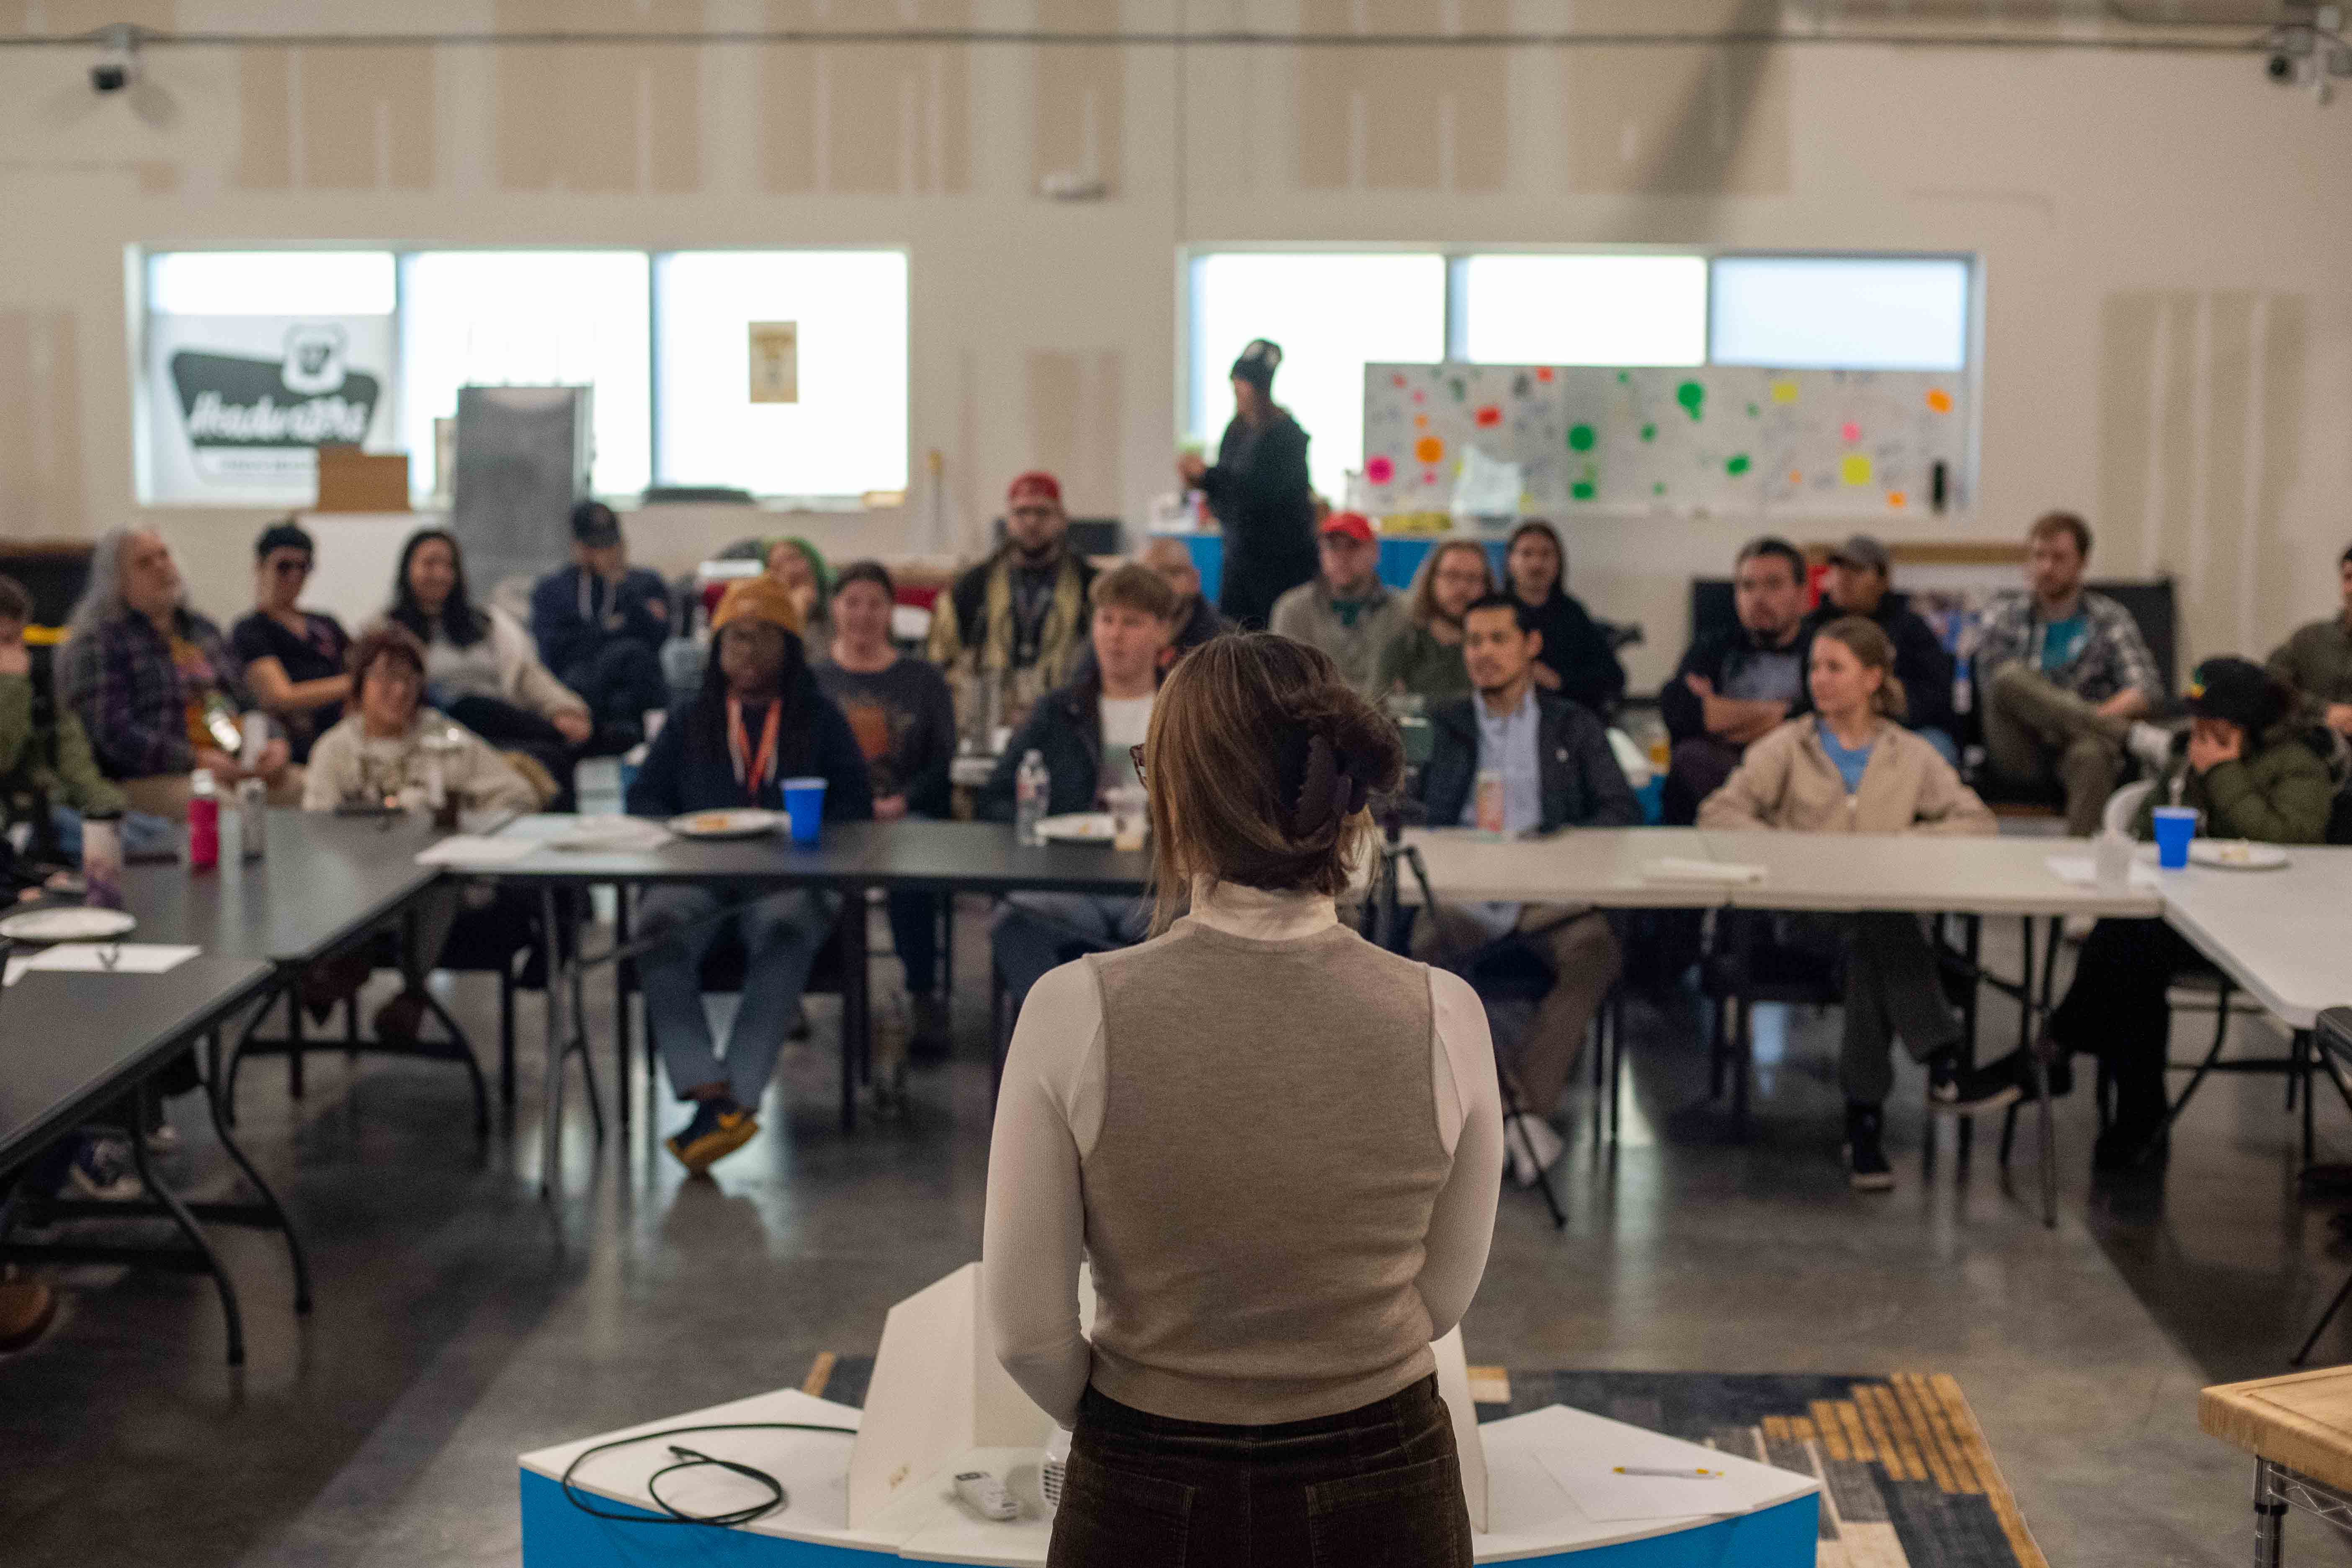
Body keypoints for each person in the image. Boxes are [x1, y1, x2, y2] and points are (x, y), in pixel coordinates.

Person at [983, 633, 1500, 1566]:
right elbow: (1438, 1299)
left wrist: (1142, 1427)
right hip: (1385, 1469)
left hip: (1145, 1470)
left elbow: (1026, 1336)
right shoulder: (1446, 1014)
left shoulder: (1072, 1009)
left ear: (1179, 799)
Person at [1945, 657, 2336, 1170]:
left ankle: (2059, 1055)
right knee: (2127, 945)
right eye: (2195, 720)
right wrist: (2187, 783)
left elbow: (2293, 842)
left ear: (2245, 723)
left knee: (2127, 951)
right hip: (2191, 916)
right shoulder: (2187, 754)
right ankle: (2123, 1106)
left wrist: (2222, 774)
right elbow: (2146, 831)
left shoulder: (2297, 764)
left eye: (2212, 722)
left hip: (2265, 932)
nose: (2199, 732)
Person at [1698, 616, 1996, 1190]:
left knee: (1870, 942)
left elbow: (1975, 821)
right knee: (1883, 928)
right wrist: (1790, 851)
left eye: (1834, 668)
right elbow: (1719, 812)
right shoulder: (1788, 746)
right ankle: (1943, 1058)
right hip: (1803, 920)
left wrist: (1903, 845)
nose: (1819, 679)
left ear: (1872, 678)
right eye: (1814, 667)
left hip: (1874, 920)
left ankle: (1864, 1123)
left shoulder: (1910, 754)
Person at [626, 577, 873, 1175]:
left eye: (764, 637)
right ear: (716, 648)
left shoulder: (820, 718)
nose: (748, 650)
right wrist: (680, 831)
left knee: (786, 925)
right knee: (655, 923)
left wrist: (809, 829)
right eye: (736, 637)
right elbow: (644, 801)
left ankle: (736, 1097)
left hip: (790, 879)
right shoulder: (690, 718)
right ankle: (705, 1084)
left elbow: (856, 809)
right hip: (699, 876)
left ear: (790, 648)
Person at [1414, 593, 1638, 1190]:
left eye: (1498, 639)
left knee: (1595, 950)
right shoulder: (1443, 722)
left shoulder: (1573, 724)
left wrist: (1559, 841)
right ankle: (1517, 1119)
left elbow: (1620, 808)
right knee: (1423, 955)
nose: (1483, 653)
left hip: (1548, 896)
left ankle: (1519, 1111)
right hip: (1464, 892)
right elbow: (1406, 806)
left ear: (1531, 646)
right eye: (1473, 641)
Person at [302, 623, 538, 1045]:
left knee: (435, 880)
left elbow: (517, 794)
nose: (399, 691)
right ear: (359, 685)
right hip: (360, 883)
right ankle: (344, 962)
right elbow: (316, 827)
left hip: (437, 885)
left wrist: (468, 823)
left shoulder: (443, 738)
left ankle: (412, 992)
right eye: (385, 679)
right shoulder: (335, 749)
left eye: (409, 680)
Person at [982, 565, 1177, 1020]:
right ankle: (1062, 1035)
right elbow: (995, 797)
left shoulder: (1183, 710)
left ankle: (1149, 1042)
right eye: (1106, 620)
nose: (1116, 636)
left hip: (1156, 886)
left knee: (1197, 924)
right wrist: (1042, 821)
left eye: (1132, 622)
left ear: (1162, 632)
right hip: (1070, 881)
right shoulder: (1059, 711)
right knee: (1013, 922)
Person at [814, 561, 959, 1059]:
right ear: (834, 608)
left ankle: (922, 991)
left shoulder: (923, 679)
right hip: (836, 816)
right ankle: (800, 985)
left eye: (874, 603)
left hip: (907, 813)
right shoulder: (813, 679)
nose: (862, 614)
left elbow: (943, 761)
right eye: (852, 602)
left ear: (891, 611)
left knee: (910, 868)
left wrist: (903, 801)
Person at [60, 526, 292, 818]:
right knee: (218, 809)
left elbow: (248, 702)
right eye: (145, 563)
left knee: (305, 789)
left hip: (231, 761)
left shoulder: (203, 630)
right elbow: (112, 735)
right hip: (153, 777)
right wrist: (194, 760)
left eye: (164, 555)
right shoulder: (99, 642)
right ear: (118, 583)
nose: (161, 566)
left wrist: (274, 740)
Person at [1974, 512, 2169, 836]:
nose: (2046, 567)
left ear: (2082, 562)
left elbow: (2145, 689)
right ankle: (2128, 735)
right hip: (2020, 744)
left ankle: (2078, 857)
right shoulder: (2003, 616)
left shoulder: (2108, 618)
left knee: (2093, 755)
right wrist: (2100, 724)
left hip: (2079, 746)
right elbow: (1994, 690)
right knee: (2008, 677)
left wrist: (2083, 721)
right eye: (2039, 556)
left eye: (2058, 557)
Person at [387, 528, 591, 799]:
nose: (440, 574)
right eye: (430, 563)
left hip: (502, 721)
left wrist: (563, 708)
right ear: (408, 569)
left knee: (556, 754)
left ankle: (569, 738)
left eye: (448, 566)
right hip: (444, 729)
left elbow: (525, 672)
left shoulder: (484, 623)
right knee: (470, 706)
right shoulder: (388, 631)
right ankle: (577, 737)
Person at [1658, 536, 1816, 825]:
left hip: (1792, 779)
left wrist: (1720, 716)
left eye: (1773, 585)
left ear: (1802, 595)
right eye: (1747, 586)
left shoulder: (1819, 649)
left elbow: (1820, 723)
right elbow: (1677, 709)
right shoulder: (1712, 647)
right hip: (1719, 778)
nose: (1758, 598)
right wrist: (1777, 713)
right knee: (1690, 756)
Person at [927, 471, 1098, 730]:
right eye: (1021, 512)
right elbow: (939, 663)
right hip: (985, 726)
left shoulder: (1091, 588)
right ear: (1008, 520)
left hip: (1069, 727)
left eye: (1043, 512)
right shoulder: (970, 588)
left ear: (1063, 519)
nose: (1031, 522)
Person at [1176, 337, 1319, 629]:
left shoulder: (1287, 437)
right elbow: (1228, 493)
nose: (1238, 391)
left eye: (1244, 384)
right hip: (1239, 561)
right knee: (1234, 635)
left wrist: (1208, 477)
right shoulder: (1236, 430)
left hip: (1280, 565)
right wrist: (1201, 483)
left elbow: (1264, 494)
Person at [0, 573, 126, 866]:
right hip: (18, 824)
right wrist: (10, 686)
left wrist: (111, 812)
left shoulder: (37, 684)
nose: (19, 654)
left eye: (20, 639)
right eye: (6, 641)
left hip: (48, 809)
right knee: (120, 849)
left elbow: (75, 763)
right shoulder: (16, 683)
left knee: (149, 834)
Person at [1801, 534, 1958, 762]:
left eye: (1857, 570)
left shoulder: (1912, 628)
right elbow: (1801, 692)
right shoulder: (1811, 627)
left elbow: (1936, 695)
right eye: (1837, 568)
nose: (1843, 577)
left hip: (1905, 727)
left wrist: (1886, 702)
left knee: (1936, 749)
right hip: (1829, 725)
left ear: (1883, 580)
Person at [529, 500, 671, 748]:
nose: (606, 553)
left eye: (611, 544)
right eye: (596, 546)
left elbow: (658, 637)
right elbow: (554, 653)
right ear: (578, 547)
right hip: (582, 695)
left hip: (633, 698)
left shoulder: (645, 584)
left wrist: (622, 587)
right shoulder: (554, 591)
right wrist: (610, 631)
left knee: (636, 657)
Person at [230, 519, 351, 767]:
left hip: (344, 744)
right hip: (289, 752)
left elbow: (365, 665)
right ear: (260, 566)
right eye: (284, 566)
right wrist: (355, 683)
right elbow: (279, 696)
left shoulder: (326, 624)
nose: (295, 576)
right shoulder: (250, 630)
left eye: (304, 567)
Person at [1269, 511, 1409, 696]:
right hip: (1316, 712)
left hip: (1385, 713)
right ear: (1321, 553)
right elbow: (1283, 680)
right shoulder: (1292, 609)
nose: (1342, 556)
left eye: (1353, 546)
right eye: (1332, 547)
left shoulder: (1403, 610)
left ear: (1375, 551)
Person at [1502, 520, 1626, 718]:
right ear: (1510, 561)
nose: (1536, 564)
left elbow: (1612, 676)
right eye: (1527, 554)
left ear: (1558, 562)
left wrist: (1559, 681)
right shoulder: (1493, 613)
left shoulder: (1573, 614)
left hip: (1565, 718)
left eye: (1546, 555)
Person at [1375, 539, 1494, 708]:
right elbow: (1376, 706)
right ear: (1432, 580)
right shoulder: (1405, 642)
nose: (1462, 587)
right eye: (1452, 576)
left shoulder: (1497, 648)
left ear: (1486, 584)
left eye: (1473, 578)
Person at [2267, 542, 2352, 740]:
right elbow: (2271, 681)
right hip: (2311, 748)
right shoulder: (2310, 639)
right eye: (2349, 578)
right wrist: (2323, 711)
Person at [765, 536, 833, 649]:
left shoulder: (842, 598)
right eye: (778, 568)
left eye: (794, 559)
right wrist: (796, 613)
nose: (789, 571)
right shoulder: (770, 621)